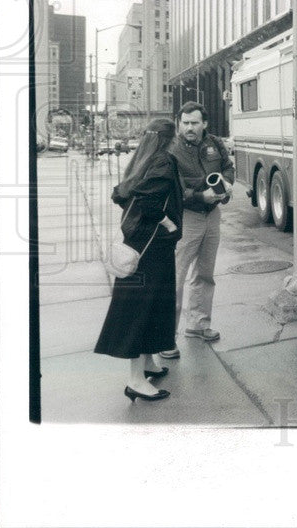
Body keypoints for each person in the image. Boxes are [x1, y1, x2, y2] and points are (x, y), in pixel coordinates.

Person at [94, 118, 183, 402]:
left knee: (152, 306)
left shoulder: (141, 159)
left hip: (139, 242)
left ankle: (148, 364)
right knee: (143, 310)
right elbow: (148, 202)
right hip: (152, 247)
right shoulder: (165, 161)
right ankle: (135, 380)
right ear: (172, 138)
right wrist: (168, 223)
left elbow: (120, 194)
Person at [159, 101, 234, 359]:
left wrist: (226, 182)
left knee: (205, 273)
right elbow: (175, 188)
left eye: (194, 123)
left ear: (205, 124)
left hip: (212, 216)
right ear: (179, 122)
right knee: (175, 278)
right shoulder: (172, 149)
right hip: (186, 217)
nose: (189, 128)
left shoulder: (214, 143)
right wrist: (201, 196)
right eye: (185, 123)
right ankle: (166, 337)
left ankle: (199, 324)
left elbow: (228, 167)